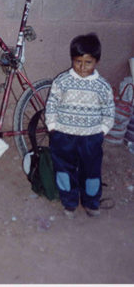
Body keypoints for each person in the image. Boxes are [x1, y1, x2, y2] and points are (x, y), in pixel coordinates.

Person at [45, 33, 115, 218]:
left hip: (91, 138)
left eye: (88, 62)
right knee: (64, 170)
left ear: (96, 61)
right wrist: (52, 126)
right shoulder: (62, 81)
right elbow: (52, 104)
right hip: (63, 136)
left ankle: (91, 203)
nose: (82, 67)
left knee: (91, 172)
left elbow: (109, 111)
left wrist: (102, 130)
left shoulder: (103, 86)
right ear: (72, 60)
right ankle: (69, 202)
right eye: (77, 62)